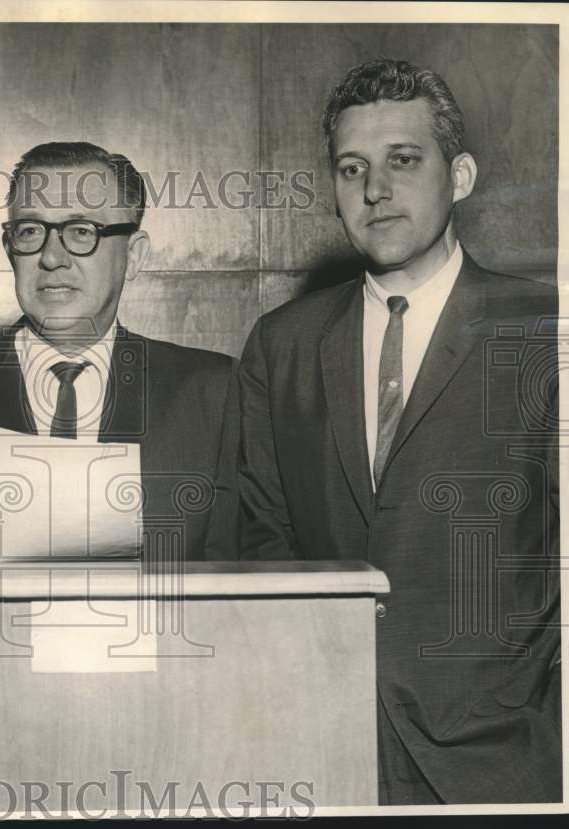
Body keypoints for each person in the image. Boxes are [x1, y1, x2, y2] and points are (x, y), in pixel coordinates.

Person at [238, 58, 560, 804]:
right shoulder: (281, 344)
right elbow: (263, 543)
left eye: (403, 160)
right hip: (320, 748)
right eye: (352, 168)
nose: (375, 189)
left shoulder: (542, 332)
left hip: (501, 761)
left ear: (463, 175)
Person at [0, 141, 239, 564]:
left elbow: (231, 584)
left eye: (81, 231)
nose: (51, 256)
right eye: (30, 231)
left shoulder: (214, 392)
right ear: (10, 250)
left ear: (133, 256)